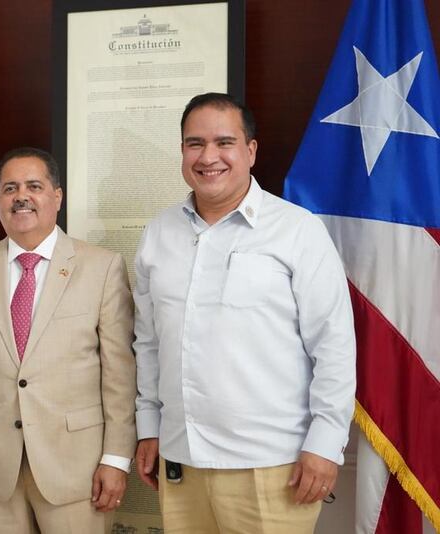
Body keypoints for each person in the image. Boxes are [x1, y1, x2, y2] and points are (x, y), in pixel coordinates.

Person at [133, 93, 356, 533]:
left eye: (224, 142)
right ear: (182, 152)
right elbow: (148, 343)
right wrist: (149, 427)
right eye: (195, 143)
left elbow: (333, 346)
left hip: (273, 467)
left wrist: (326, 445)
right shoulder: (158, 234)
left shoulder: (297, 231)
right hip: (181, 461)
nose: (208, 156)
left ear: (250, 151)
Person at [0, 147, 136, 533]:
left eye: (34, 185)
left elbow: (120, 377)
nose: (21, 196)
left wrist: (116, 459)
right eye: (10, 188)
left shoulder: (102, 267)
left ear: (57, 196)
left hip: (77, 470)